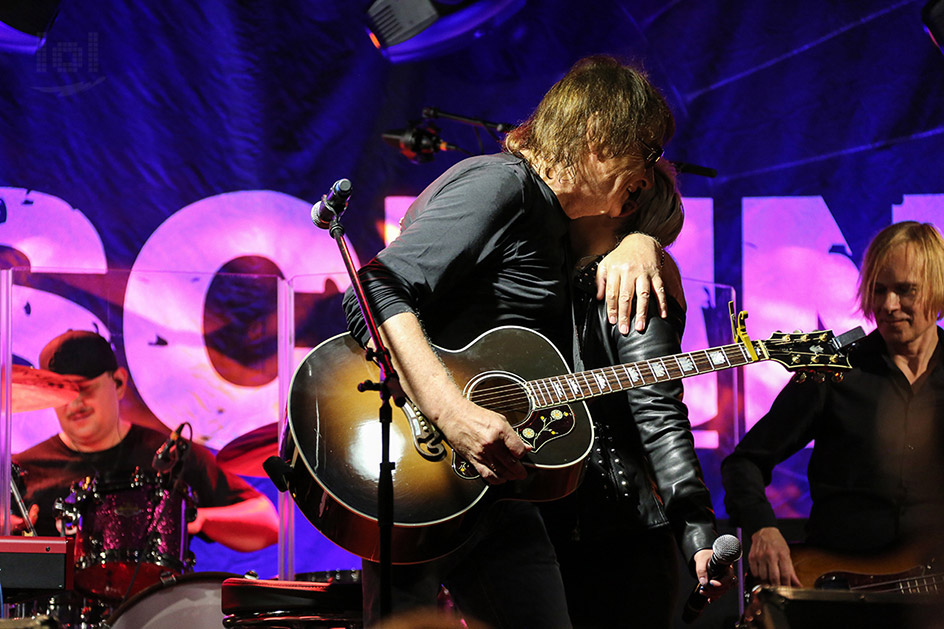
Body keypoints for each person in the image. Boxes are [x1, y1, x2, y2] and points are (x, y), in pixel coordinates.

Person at [342, 54, 704, 627]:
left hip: (495, 491)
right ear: (597, 135)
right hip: (420, 470)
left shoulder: (554, 222)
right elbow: (376, 286)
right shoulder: (500, 184)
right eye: (646, 148)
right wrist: (451, 412)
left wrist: (642, 241)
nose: (654, 164)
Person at [542, 161, 731, 628]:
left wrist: (697, 534)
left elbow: (660, 416)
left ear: (626, 204)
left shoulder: (632, 284)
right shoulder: (556, 276)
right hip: (556, 532)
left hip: (615, 543)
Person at [721, 221, 944, 588]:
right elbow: (744, 461)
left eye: (905, 291)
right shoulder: (832, 370)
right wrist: (761, 526)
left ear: (936, 290)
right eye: (879, 290)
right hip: (839, 587)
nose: (888, 305)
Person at [13, 330, 280, 554]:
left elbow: (267, 522)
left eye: (84, 388)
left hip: (157, 612)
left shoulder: (171, 455)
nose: (76, 402)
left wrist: (196, 518)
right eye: (62, 391)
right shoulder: (21, 471)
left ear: (118, 382)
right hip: (55, 616)